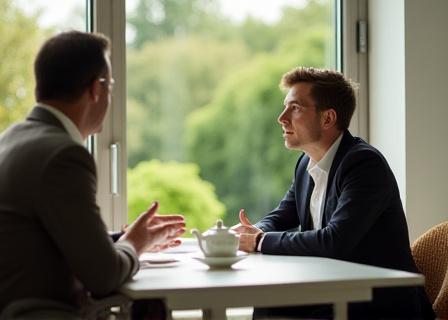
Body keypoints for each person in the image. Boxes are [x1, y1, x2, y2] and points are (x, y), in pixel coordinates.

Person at [0, 31, 185, 318]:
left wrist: (117, 238)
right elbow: (104, 275)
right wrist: (136, 243)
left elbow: (42, 240)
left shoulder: (11, 138)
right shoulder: (63, 155)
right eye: (110, 85)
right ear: (96, 89)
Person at [233, 67, 434, 319]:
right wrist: (248, 232)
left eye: (295, 108)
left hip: (378, 303)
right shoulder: (306, 163)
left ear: (327, 118)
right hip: (333, 291)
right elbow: (282, 215)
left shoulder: (363, 164)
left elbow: (335, 241)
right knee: (267, 305)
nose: (282, 118)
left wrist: (260, 241)